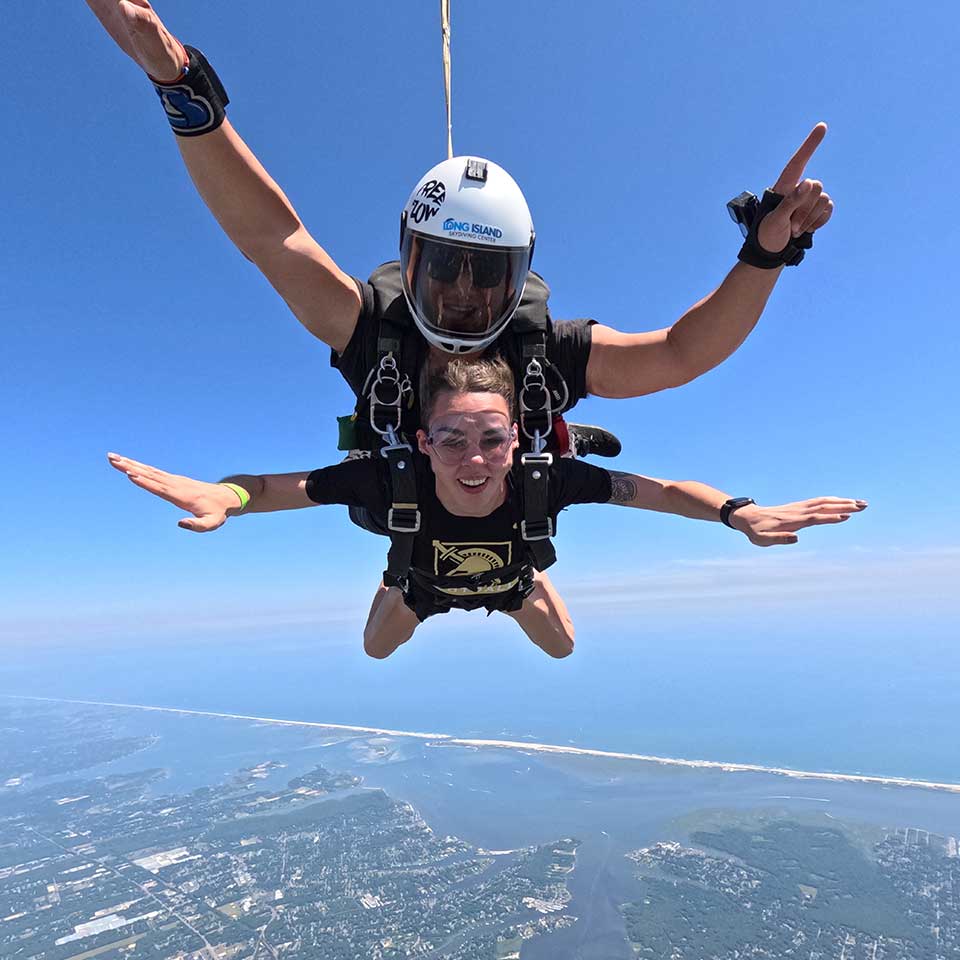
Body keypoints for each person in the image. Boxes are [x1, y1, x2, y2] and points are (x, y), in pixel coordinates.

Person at [83, 0, 835, 444]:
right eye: (445, 269)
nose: (467, 295)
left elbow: (680, 353)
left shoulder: (540, 350)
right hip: (410, 514)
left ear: (522, 274)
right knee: (390, 625)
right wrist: (180, 88)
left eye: (487, 272)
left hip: (504, 508)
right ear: (408, 261)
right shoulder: (372, 324)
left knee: (548, 629)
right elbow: (270, 236)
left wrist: (767, 255)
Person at [107, 357, 866, 661]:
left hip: (511, 579)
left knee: (564, 649)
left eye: (492, 439)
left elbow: (657, 492)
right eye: (452, 438)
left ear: (515, 440)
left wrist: (739, 513)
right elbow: (278, 488)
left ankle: (526, 582)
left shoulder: (546, 479)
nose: (473, 459)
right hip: (422, 582)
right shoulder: (387, 478)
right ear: (421, 438)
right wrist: (225, 497)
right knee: (374, 651)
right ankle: (398, 581)